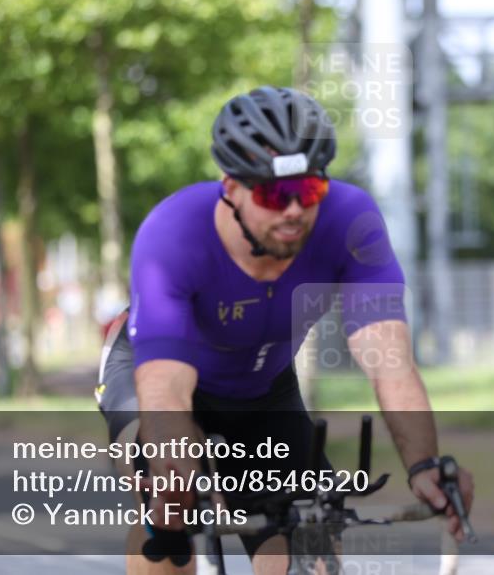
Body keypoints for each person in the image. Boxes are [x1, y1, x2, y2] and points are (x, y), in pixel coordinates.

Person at [96, 86, 474, 575]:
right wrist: (174, 463)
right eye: (273, 194)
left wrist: (424, 464)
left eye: (309, 190)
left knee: (309, 544)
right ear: (231, 187)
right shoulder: (174, 232)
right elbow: (166, 386)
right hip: (154, 374)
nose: (293, 210)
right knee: (171, 511)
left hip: (263, 392)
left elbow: (390, 360)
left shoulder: (350, 222)